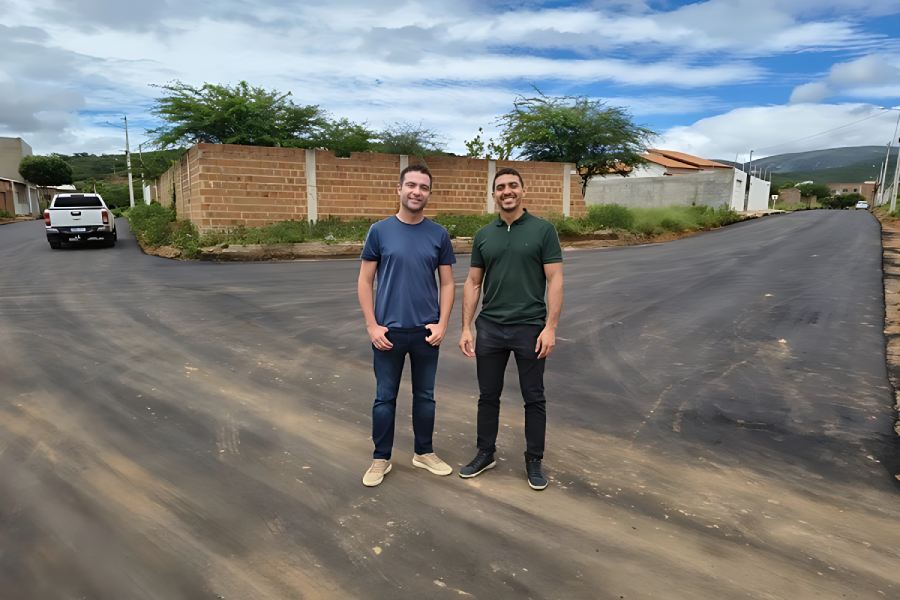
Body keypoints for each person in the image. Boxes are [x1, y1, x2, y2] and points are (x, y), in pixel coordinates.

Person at [458, 167, 563, 490]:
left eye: (513, 185)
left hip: (530, 328)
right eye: (501, 187)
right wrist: (466, 328)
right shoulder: (483, 235)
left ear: (523, 190)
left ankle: (534, 460)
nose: (507, 191)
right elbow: (473, 282)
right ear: (494, 194)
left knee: (534, 397)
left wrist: (550, 327)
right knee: (488, 396)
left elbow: (555, 279)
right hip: (490, 328)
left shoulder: (543, 230)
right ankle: (485, 452)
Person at [358, 164, 456, 487]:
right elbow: (365, 280)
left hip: (426, 332)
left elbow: (447, 283)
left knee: (425, 396)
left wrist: (442, 324)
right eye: (411, 185)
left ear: (429, 193)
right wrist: (372, 326)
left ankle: (424, 452)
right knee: (384, 398)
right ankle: (380, 458)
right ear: (399, 189)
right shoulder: (379, 231)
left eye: (423, 187)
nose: (417, 192)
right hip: (388, 333)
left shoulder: (438, 234)